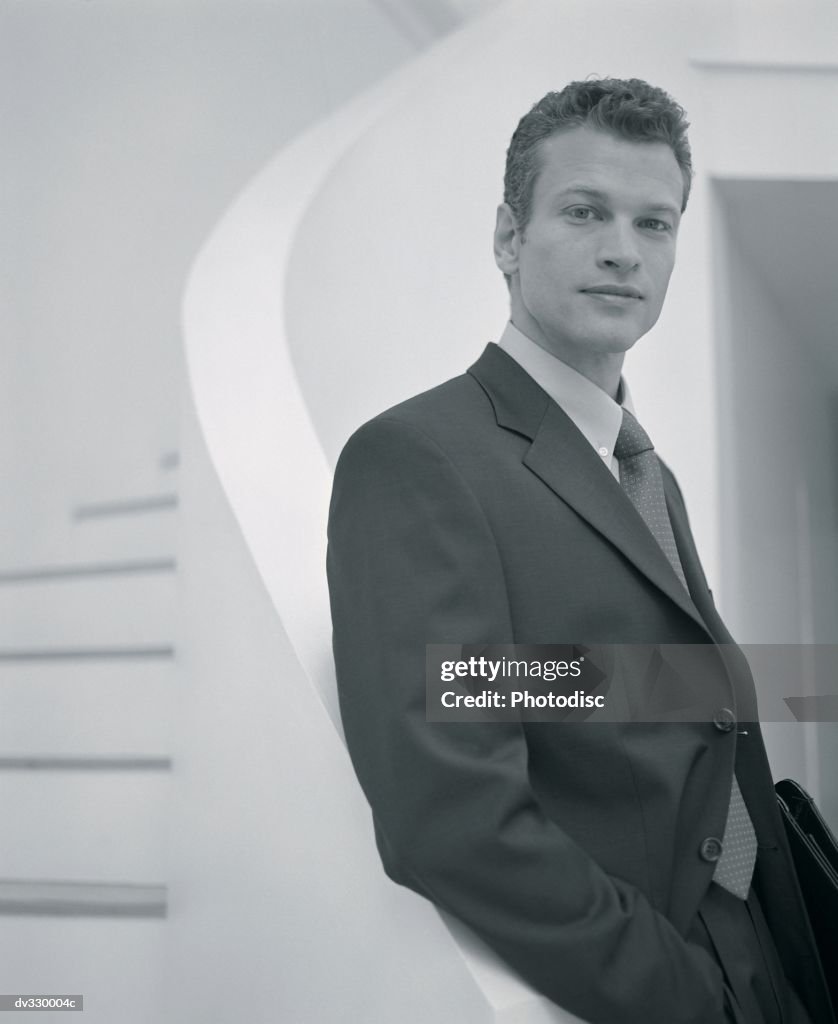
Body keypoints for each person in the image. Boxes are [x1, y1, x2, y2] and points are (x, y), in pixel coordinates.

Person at [326, 78, 833, 1024]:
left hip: (770, 952)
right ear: (509, 238)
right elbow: (451, 820)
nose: (622, 251)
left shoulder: (642, 470)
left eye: (656, 224)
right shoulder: (418, 459)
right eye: (585, 211)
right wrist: (687, 994)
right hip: (660, 974)